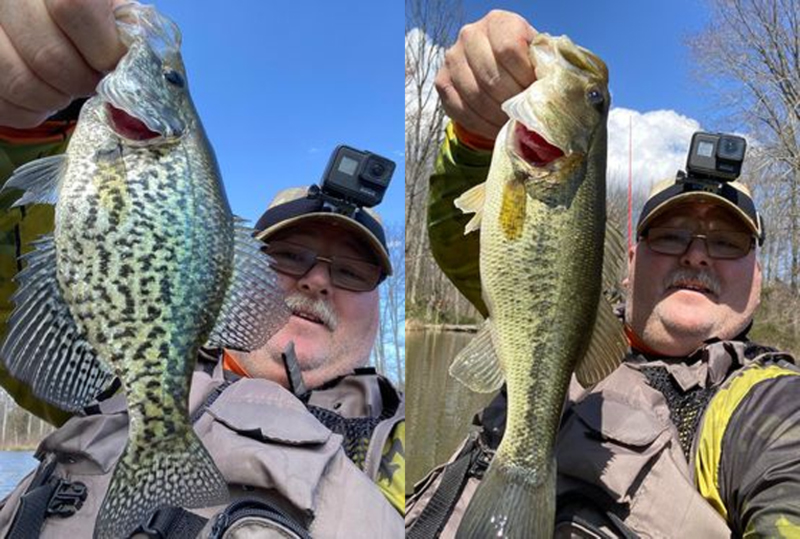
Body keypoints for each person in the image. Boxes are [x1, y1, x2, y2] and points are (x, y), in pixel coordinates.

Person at [0, 1, 404, 537]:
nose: (317, 280)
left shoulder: (405, 445)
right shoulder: (116, 385)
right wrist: (20, 129)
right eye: (288, 256)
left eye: (351, 272)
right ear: (226, 272)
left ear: (379, 301)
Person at [405, 9, 800, 538]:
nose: (697, 256)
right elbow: (465, 244)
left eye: (727, 244)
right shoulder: (576, 323)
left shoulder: (774, 409)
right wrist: (474, 141)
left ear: (758, 277)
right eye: (671, 236)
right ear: (630, 262)